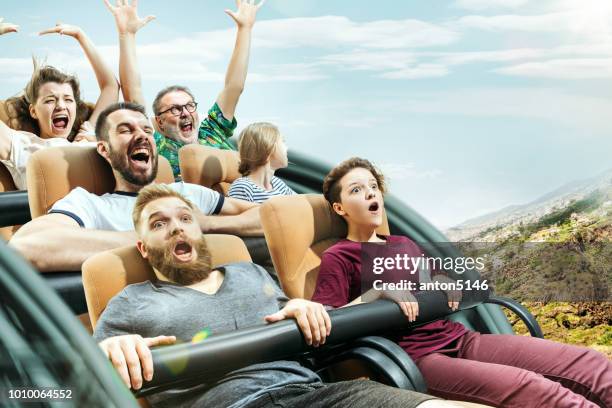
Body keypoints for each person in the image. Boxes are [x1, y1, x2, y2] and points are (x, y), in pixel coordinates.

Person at [95, 183, 480, 408]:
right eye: (159, 224)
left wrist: (308, 307)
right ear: (143, 248)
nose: (177, 228)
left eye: (184, 218)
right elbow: (76, 379)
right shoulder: (131, 301)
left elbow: (316, 331)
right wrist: (108, 353)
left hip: (317, 395)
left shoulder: (251, 273)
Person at [311, 157, 612, 408]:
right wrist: (375, 293)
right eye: (356, 189)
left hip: (460, 338)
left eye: (373, 186)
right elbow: (326, 323)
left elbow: (432, 278)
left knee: (590, 363)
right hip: (416, 357)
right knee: (537, 389)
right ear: (340, 208)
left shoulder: (404, 243)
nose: (370, 193)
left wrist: (442, 280)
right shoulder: (339, 256)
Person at [9, 102, 262, 272]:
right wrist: (156, 238)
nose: (141, 136)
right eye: (125, 130)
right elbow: (26, 246)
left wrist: (207, 224)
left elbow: (270, 217)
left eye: (146, 130)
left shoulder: (188, 193)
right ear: (104, 150)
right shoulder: (89, 204)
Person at [104, 0, 263, 181]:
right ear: (160, 122)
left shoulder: (212, 132)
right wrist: (126, 36)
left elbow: (234, 87)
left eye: (189, 106)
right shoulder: (157, 146)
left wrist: (245, 29)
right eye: (175, 109)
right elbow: (132, 91)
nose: (186, 113)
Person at [0, 19, 119, 189]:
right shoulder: (21, 145)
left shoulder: (85, 138)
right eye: (50, 100)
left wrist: (80, 35)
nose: (61, 106)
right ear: (34, 111)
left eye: (68, 99)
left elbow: (111, 87)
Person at [229, 122, 295, 203]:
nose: (286, 148)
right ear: (267, 148)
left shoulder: (277, 183)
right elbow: (238, 215)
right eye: (282, 141)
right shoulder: (243, 188)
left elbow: (302, 203)